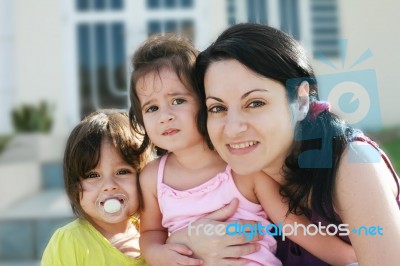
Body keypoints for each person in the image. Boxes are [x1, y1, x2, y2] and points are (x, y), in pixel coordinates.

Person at [169, 23, 400, 265]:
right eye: (218, 108)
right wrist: (182, 242)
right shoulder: (233, 176)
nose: (233, 128)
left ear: (301, 100)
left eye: (255, 103)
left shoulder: (353, 164)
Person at [129, 34, 358, 265]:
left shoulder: (242, 168)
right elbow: (150, 233)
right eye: (152, 108)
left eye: (178, 101)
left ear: (206, 102)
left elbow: (295, 227)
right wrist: (157, 253)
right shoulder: (152, 178)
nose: (165, 117)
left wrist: (355, 258)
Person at [41, 109, 151, 266]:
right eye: (93, 175)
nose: (109, 186)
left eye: (122, 172)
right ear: (74, 185)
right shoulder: (71, 241)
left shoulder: (155, 236)